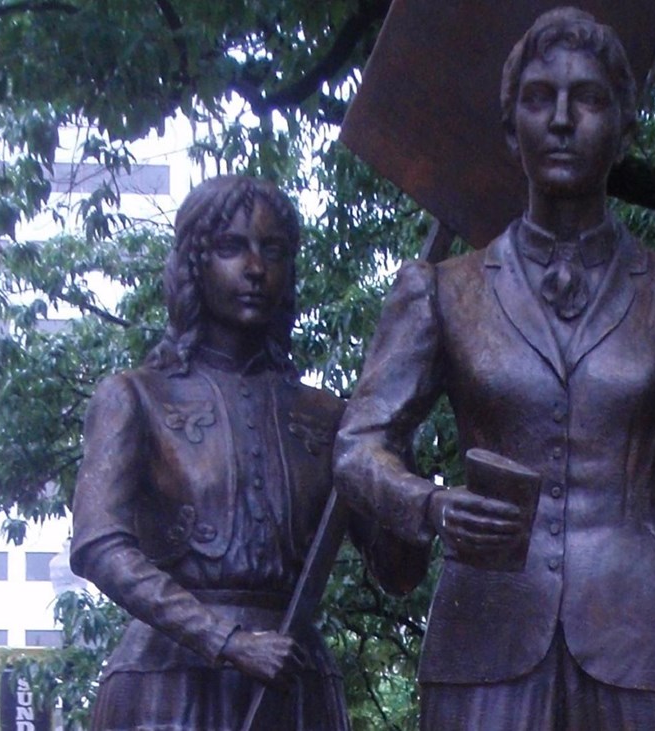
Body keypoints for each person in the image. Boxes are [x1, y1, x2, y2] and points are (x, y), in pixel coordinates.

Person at [334, 8, 655, 730]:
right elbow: (357, 448)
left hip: (647, 638)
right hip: (486, 632)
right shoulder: (441, 292)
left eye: (590, 99)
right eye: (540, 98)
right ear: (511, 129)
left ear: (626, 127)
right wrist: (432, 505)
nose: (564, 119)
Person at [71, 176, 420, 730]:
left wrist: (396, 429)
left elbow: (400, 570)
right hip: (167, 683)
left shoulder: (329, 417)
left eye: (273, 250)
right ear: (194, 263)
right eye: (231, 247)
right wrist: (226, 641)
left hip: (292, 682)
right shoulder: (135, 397)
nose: (255, 268)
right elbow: (98, 547)